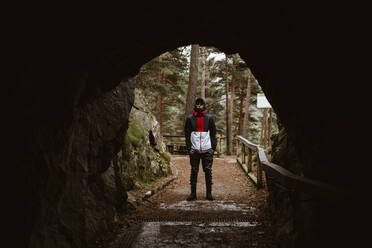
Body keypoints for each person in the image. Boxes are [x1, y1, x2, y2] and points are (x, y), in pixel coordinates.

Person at [184, 98, 217, 201]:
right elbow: (187, 134)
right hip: (194, 150)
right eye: (197, 104)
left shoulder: (209, 118)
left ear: (203, 105)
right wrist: (189, 148)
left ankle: (209, 193)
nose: (199, 106)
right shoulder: (189, 119)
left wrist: (213, 148)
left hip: (207, 150)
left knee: (208, 171)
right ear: (195, 105)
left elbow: (213, 133)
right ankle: (193, 194)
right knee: (194, 171)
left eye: (201, 104)